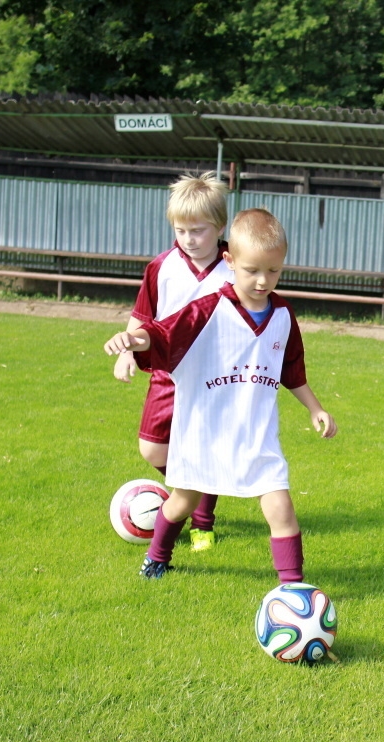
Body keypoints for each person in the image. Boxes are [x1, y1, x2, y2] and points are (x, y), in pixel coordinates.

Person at [103, 207, 337, 580]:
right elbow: (164, 333)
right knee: (182, 502)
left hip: (257, 437)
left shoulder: (282, 315)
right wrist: (134, 339)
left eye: (273, 271)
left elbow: (291, 368)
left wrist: (315, 408)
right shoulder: (207, 310)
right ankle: (157, 556)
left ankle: (293, 589)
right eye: (252, 270)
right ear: (230, 262)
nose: (263, 280)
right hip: (202, 434)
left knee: (281, 509)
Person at [113, 172, 233, 551]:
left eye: (198, 231)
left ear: (220, 227)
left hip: (214, 377)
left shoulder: (236, 268)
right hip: (168, 372)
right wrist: (128, 351)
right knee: (152, 449)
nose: (188, 239)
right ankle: (191, 493)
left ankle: (202, 523)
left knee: (203, 449)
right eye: (181, 231)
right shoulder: (161, 267)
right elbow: (143, 316)